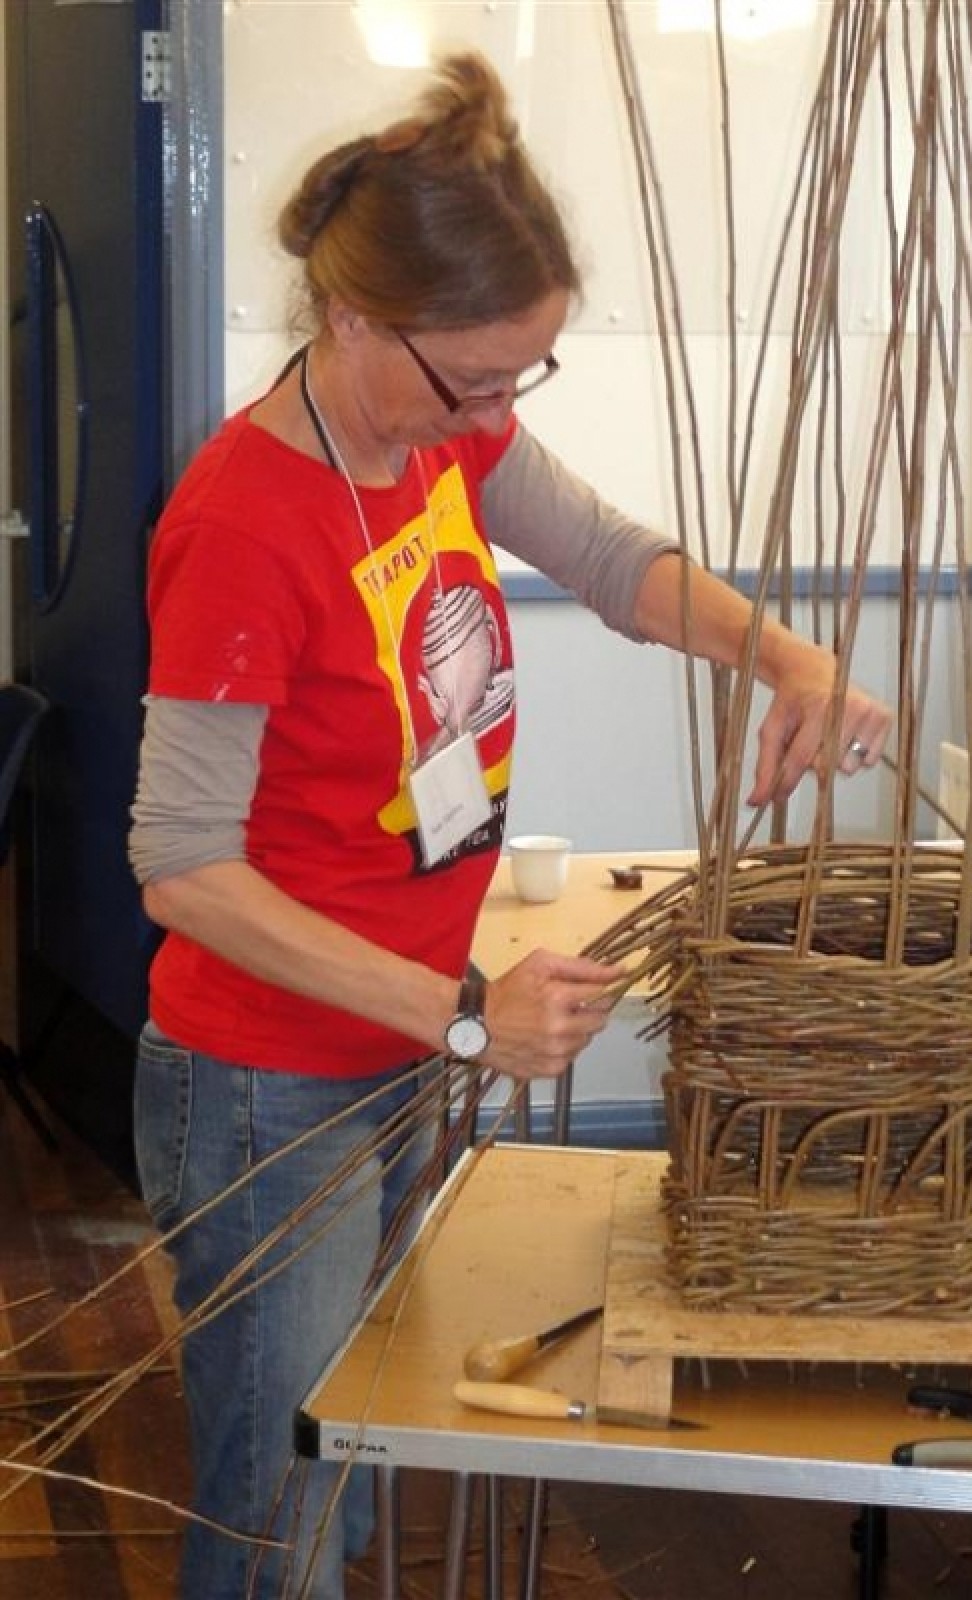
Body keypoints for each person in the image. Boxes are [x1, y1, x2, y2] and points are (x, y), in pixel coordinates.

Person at [128, 49, 891, 1600]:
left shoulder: (436, 435)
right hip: (269, 1086)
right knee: (276, 1516)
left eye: (517, 379)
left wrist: (788, 656)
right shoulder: (242, 525)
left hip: (398, 1047)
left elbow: (610, 559)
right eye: (473, 378)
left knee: (346, 1464)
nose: (491, 415)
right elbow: (182, 866)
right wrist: (467, 1017)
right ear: (353, 317)